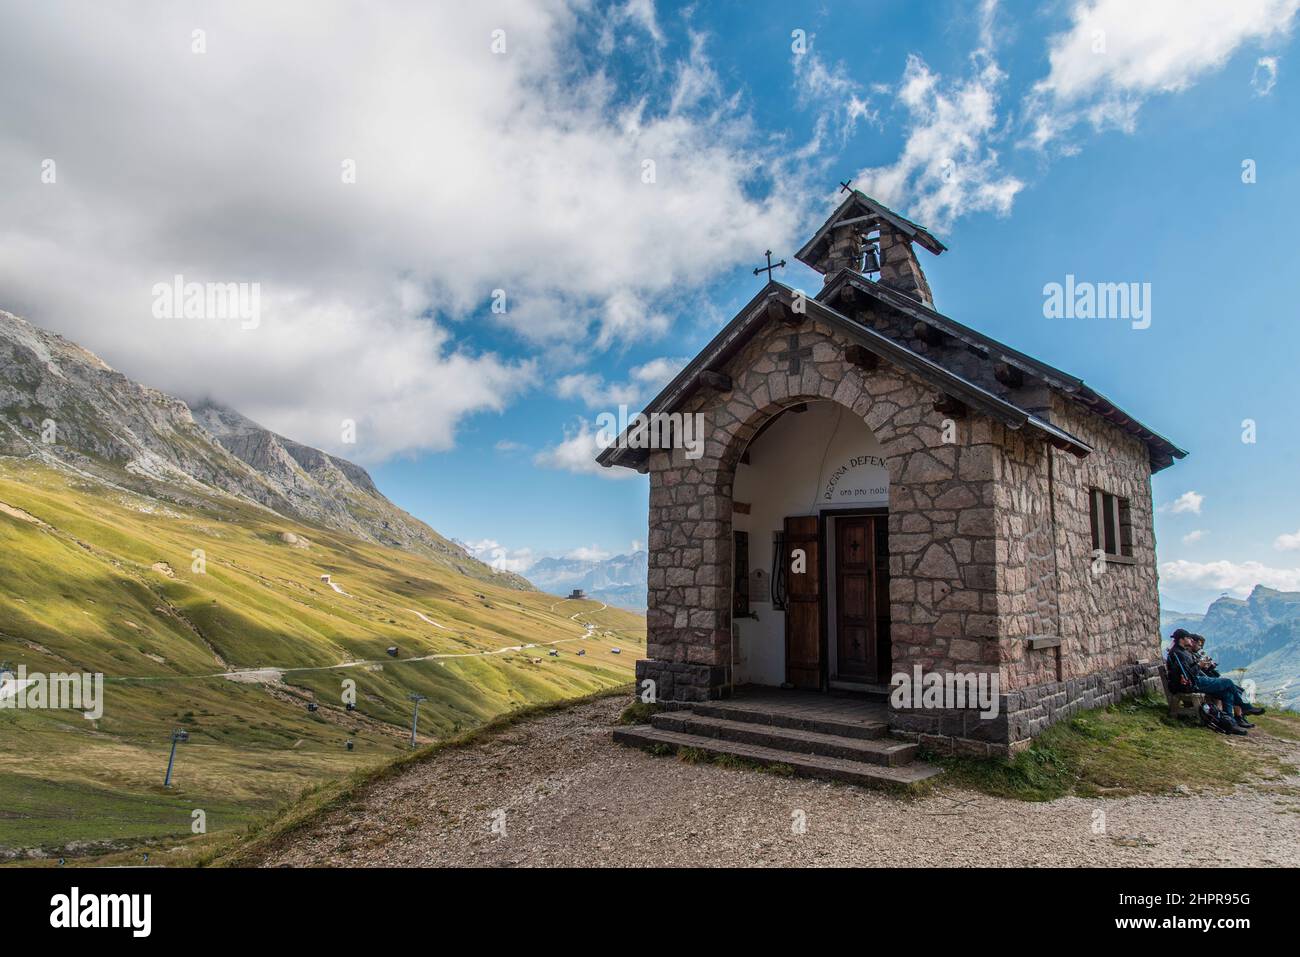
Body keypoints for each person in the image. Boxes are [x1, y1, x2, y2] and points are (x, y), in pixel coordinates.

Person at [1167, 630, 1258, 732]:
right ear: (1182, 639)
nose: (1191, 640)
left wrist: (1201, 666)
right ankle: (1245, 707)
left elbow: (1189, 670)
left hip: (1195, 681)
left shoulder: (1182, 651)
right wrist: (1199, 665)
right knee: (1227, 682)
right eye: (1188, 638)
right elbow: (1187, 674)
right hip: (1192, 684)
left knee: (1227, 692)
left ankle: (1230, 723)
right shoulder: (1177, 653)